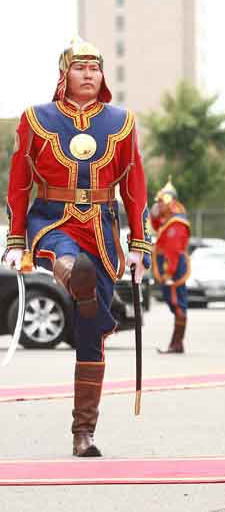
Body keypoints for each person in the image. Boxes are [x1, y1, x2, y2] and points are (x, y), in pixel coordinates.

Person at [3, 37, 150, 458]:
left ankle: (83, 432)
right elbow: (18, 184)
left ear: (102, 75)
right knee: (65, 255)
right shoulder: (36, 118)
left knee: (91, 336)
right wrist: (15, 238)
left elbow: (134, 188)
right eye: (79, 67)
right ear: (63, 74)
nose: (88, 74)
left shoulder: (122, 121)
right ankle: (71, 275)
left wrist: (139, 243)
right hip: (50, 218)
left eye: (94, 68)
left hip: (102, 231)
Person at [150, 179, 191, 354]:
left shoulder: (177, 222)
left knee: (177, 303)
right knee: (173, 302)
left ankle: (177, 343)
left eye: (160, 202)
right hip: (169, 265)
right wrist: (154, 215)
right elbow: (157, 226)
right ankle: (177, 343)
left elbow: (173, 250)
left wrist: (168, 272)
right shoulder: (169, 219)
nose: (158, 205)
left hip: (172, 267)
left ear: (169, 200)